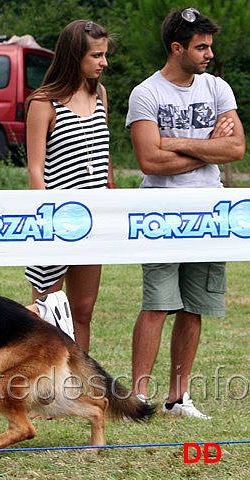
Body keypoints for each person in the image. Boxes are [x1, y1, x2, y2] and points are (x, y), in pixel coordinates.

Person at [126, 7, 245, 419]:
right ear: (177, 48)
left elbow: (235, 149)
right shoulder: (146, 93)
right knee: (158, 303)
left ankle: (179, 398)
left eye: (210, 45)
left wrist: (171, 142)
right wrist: (202, 145)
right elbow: (149, 162)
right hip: (161, 211)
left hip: (211, 212)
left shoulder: (217, 88)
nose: (209, 53)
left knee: (195, 306)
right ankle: (138, 397)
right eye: (201, 46)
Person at [23, 20, 115, 353]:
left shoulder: (100, 93)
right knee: (47, 312)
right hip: (56, 220)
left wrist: (110, 207)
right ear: (74, 55)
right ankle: (38, 387)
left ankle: (79, 386)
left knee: (83, 311)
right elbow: (35, 170)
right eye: (97, 55)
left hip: (94, 219)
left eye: (104, 54)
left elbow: (104, 159)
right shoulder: (43, 103)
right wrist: (45, 223)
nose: (104, 62)